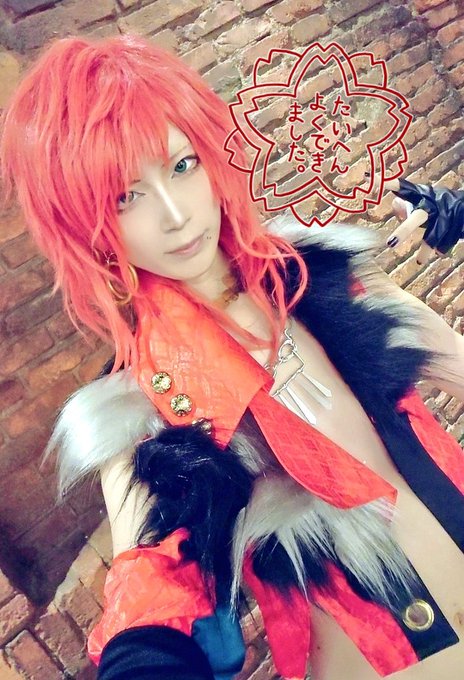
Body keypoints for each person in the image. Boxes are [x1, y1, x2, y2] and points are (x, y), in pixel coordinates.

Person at [1, 34, 463, 680]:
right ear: (88, 226)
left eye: (182, 165)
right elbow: (148, 596)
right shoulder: (141, 415)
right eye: (125, 197)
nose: (174, 214)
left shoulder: (327, 279)